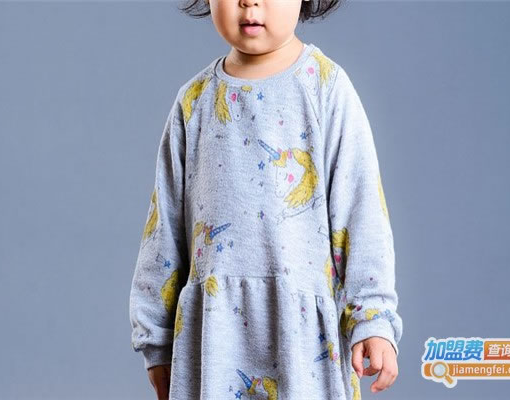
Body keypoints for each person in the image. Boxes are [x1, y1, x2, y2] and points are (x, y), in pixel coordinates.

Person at [129, 0, 403, 398]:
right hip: (213, 344)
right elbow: (163, 234)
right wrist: (155, 341)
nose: (249, 2)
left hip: (304, 346)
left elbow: (361, 214)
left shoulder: (325, 87)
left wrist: (372, 317)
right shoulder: (195, 102)